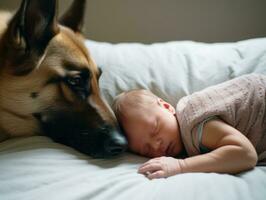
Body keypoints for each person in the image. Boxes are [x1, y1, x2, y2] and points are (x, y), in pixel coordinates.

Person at [112, 73, 266, 179]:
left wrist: (181, 166)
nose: (156, 145)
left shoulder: (194, 121)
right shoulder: (186, 143)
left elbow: (246, 154)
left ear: (166, 107)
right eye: (145, 149)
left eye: (155, 129)